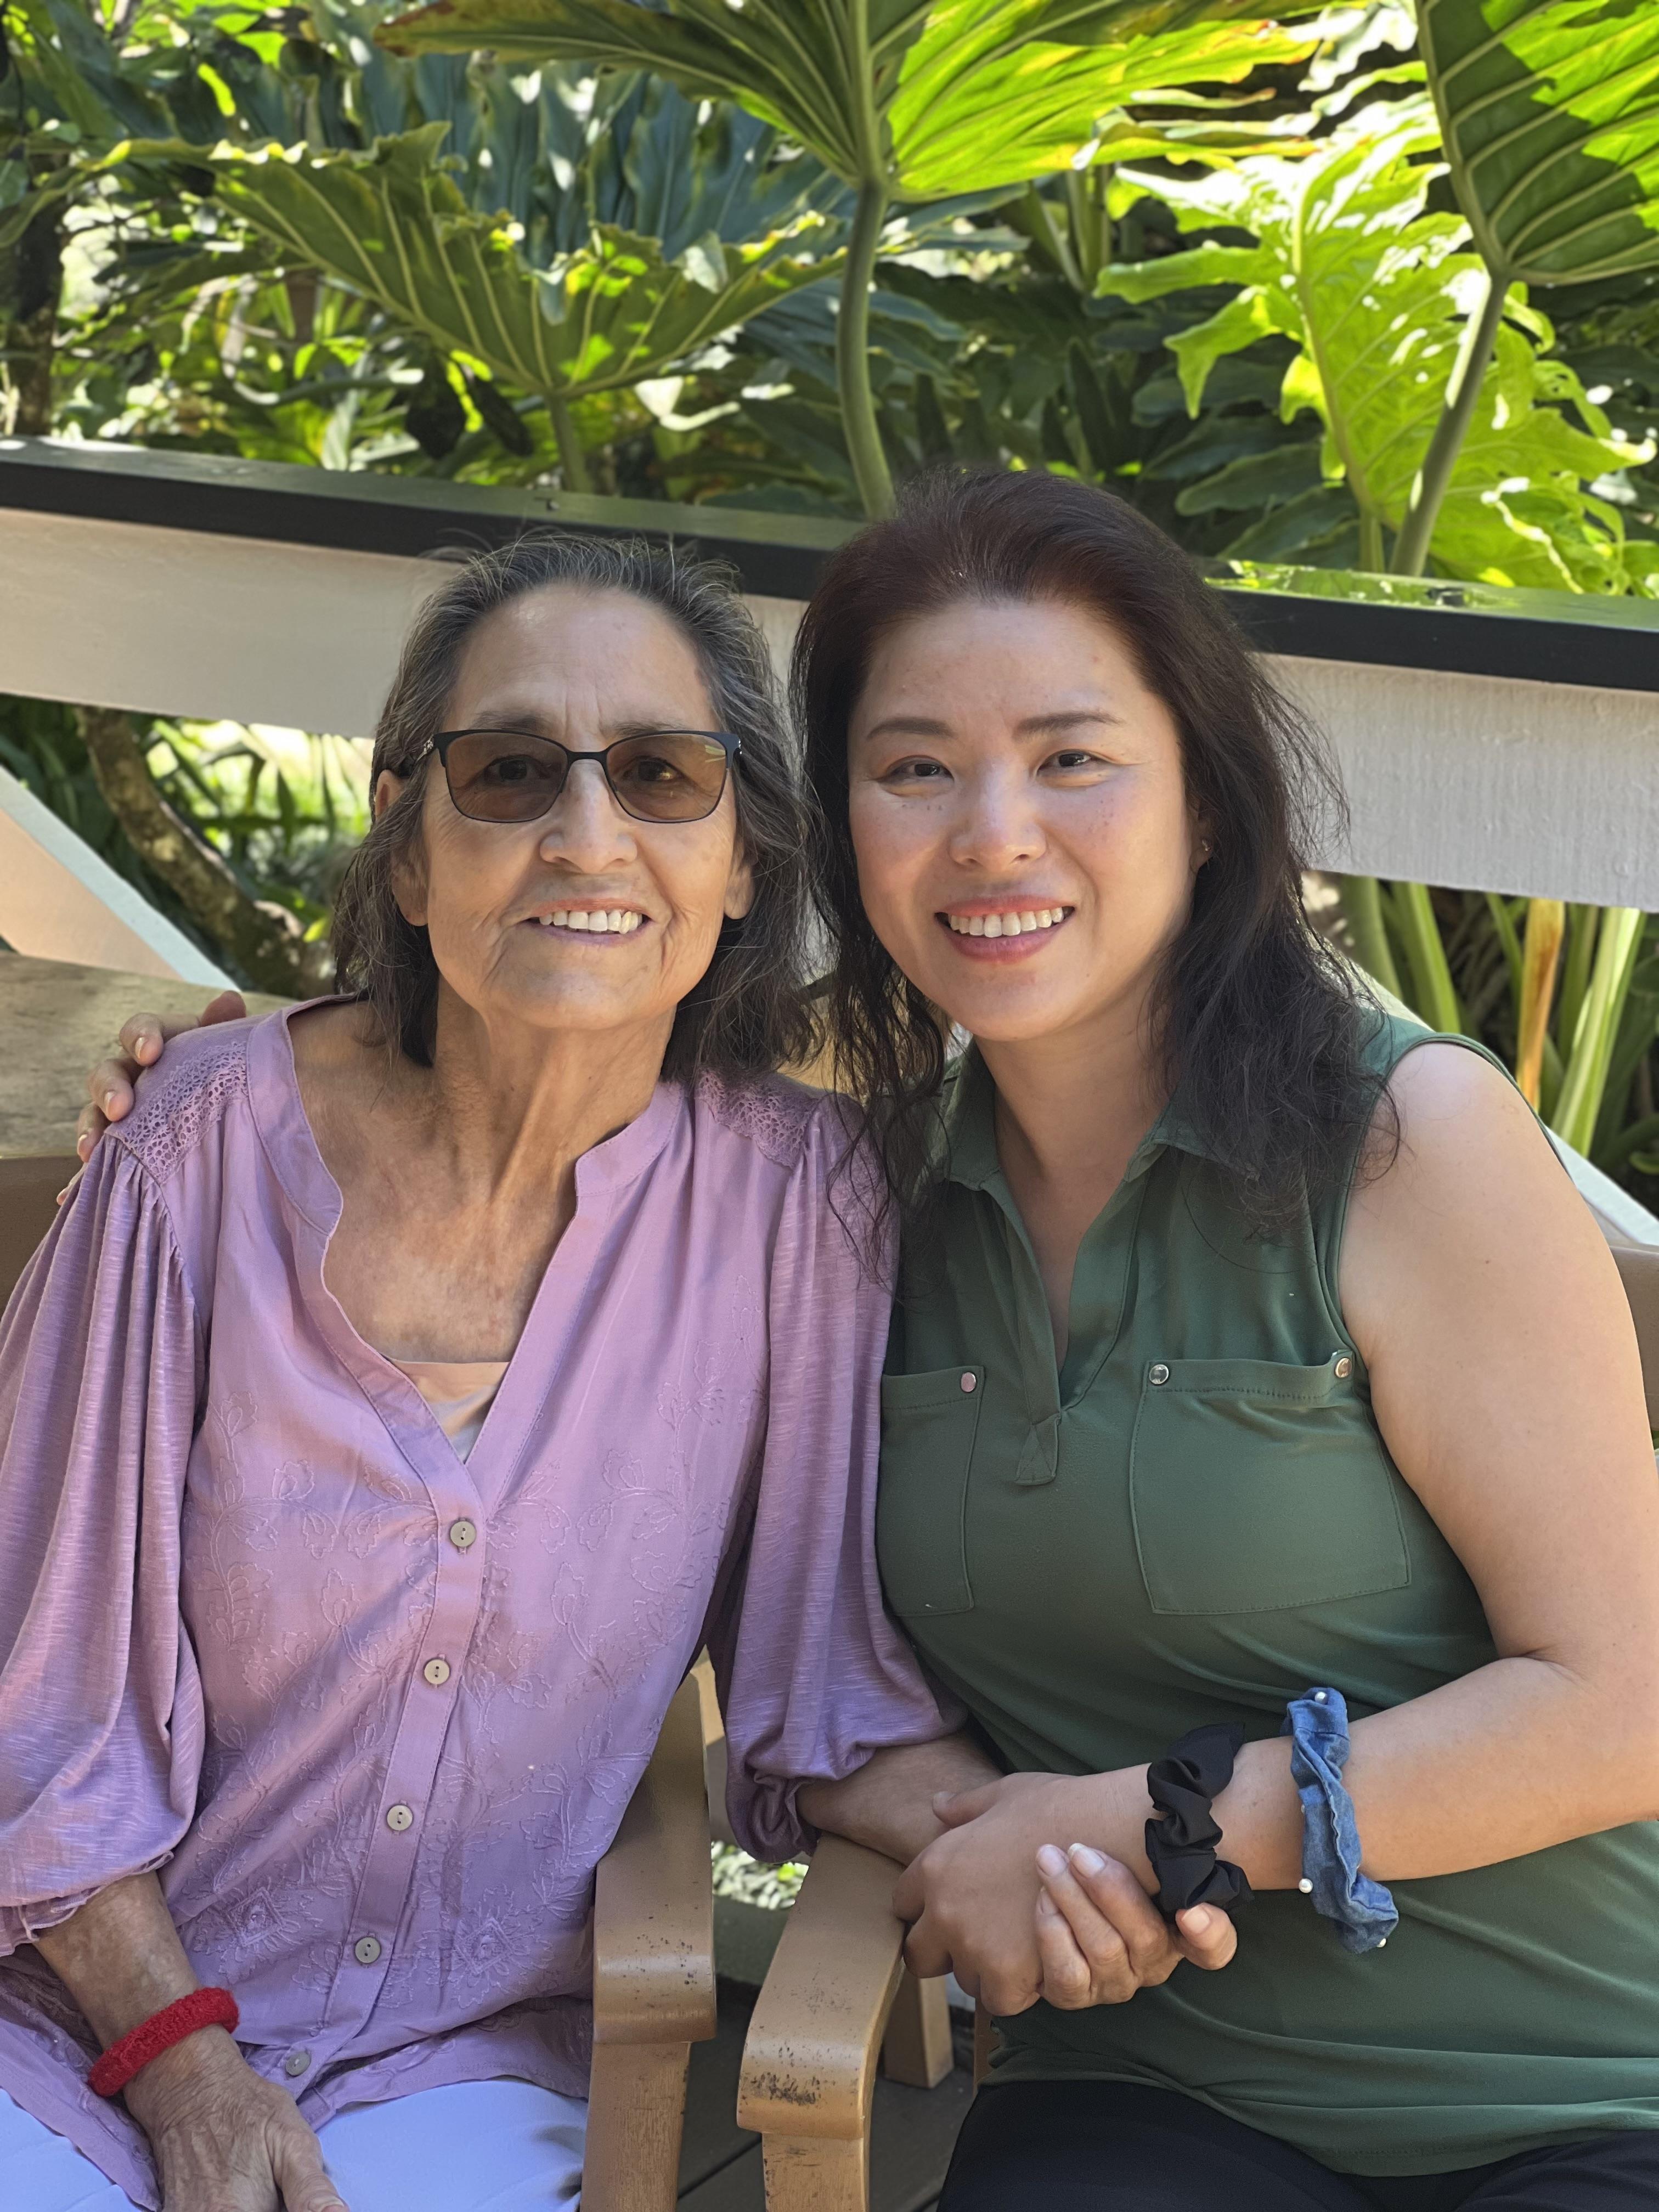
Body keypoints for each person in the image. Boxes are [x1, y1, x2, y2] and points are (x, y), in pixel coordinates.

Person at [0, 533, 988, 2212]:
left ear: (742, 860)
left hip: (462, 2063)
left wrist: (1069, 1835)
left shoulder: (800, 1212)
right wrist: (188, 2078)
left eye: (665, 776)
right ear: (409, 848)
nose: (585, 836)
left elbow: (825, 1700)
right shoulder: (187, 1157)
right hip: (77, 2028)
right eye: (512, 770)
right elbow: (39, 1723)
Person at [786, 469, 1659, 2209]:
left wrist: (1153, 1822)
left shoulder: (1408, 1143)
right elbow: (766, 1630)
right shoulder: (834, 1204)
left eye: (1072, 756)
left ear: (1202, 802)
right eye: (914, 769)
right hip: (1154, 2082)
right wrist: (259, 1068)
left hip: (1579, 2083)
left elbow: (1626, 1700)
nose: (992, 833)